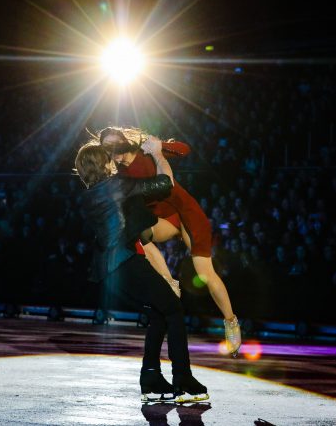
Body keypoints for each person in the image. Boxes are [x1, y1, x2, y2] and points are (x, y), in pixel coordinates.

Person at [74, 136, 208, 402]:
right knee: (173, 308)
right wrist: (158, 154)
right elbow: (164, 184)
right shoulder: (117, 185)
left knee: (160, 312)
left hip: (109, 273)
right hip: (128, 263)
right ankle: (182, 377)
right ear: (103, 163)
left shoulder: (87, 198)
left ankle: (151, 377)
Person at [96, 126, 241, 356]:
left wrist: (160, 147)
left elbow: (185, 149)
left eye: (116, 146)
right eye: (108, 150)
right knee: (138, 234)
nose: (115, 154)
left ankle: (231, 321)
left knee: (204, 272)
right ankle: (169, 282)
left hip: (187, 213)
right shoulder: (119, 176)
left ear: (124, 141)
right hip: (164, 220)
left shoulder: (146, 151)